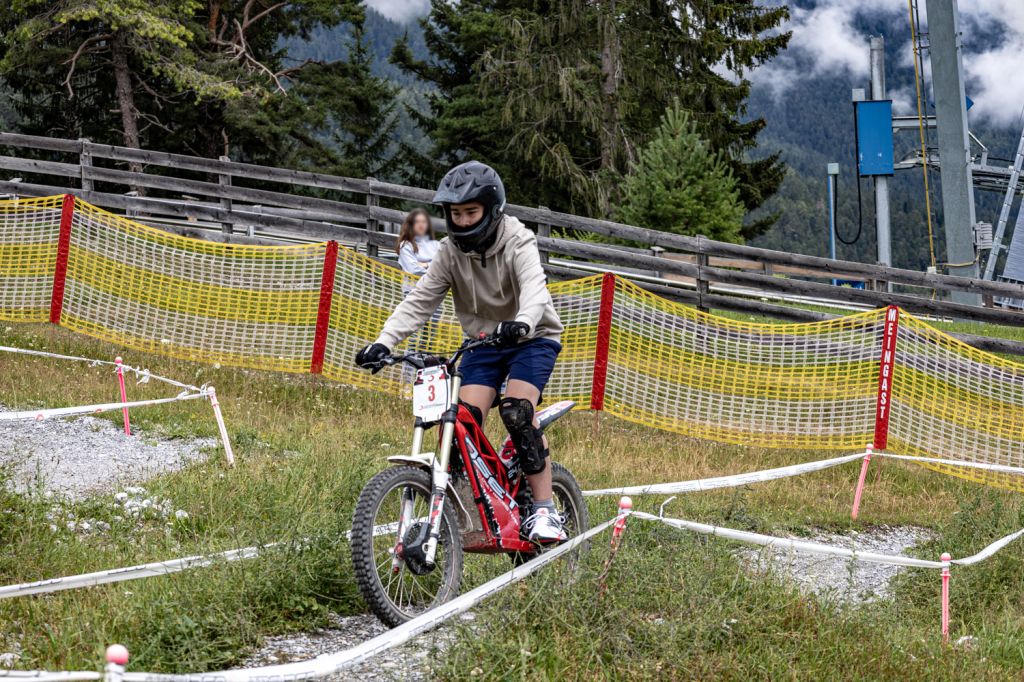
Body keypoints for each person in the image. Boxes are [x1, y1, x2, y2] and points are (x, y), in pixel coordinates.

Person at [355, 161, 566, 543]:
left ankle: (545, 510)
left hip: (532, 337)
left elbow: (535, 287)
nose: (465, 221)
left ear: (491, 208)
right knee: (463, 422)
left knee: (518, 410)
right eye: (457, 214)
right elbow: (420, 300)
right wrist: (384, 342)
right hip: (484, 342)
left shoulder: (518, 239)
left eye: (472, 212)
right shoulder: (450, 253)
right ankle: (469, 505)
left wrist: (522, 320)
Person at [396, 208, 440, 277]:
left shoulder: (436, 244)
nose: (421, 225)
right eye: (417, 222)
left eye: (424, 222)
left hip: (435, 286)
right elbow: (413, 270)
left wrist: (426, 265)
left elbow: (444, 266)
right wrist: (434, 266)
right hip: (413, 286)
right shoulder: (406, 246)